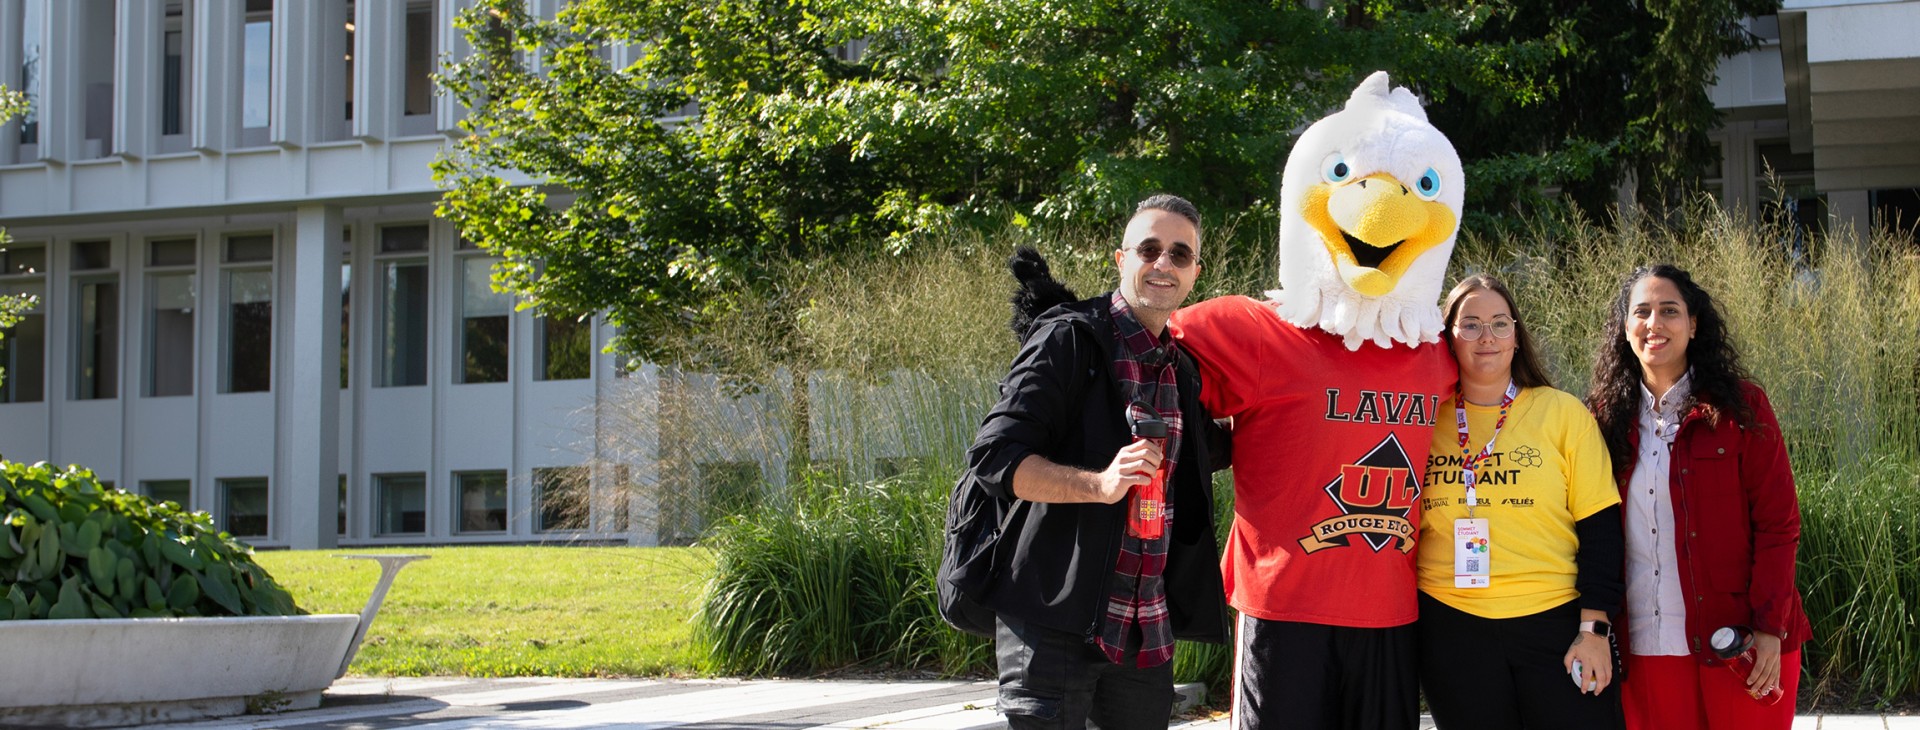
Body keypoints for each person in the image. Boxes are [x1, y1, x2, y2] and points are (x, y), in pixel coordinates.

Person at [964, 194, 1230, 730]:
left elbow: (1216, 447)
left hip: (1143, 628)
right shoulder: (1069, 338)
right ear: (1121, 259)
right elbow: (995, 458)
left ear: (1195, 272)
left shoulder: (1182, 370)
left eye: (1180, 255)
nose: (1163, 264)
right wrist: (1101, 484)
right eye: (1149, 249)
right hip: (1052, 618)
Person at [1586, 264, 1813, 730]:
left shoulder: (1742, 408)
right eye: (1642, 312)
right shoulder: (1601, 419)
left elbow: (1778, 524)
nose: (1655, 324)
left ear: (1693, 324)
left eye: (1670, 311)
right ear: (1624, 328)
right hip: (1647, 645)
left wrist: (1771, 628)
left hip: (1740, 643)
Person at [1414, 274, 1624, 729]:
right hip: (1453, 628)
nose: (1486, 337)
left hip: (1555, 624)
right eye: (1469, 325)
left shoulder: (1562, 413)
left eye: (1499, 323)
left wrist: (1594, 631)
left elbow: (1602, 531)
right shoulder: (1423, 418)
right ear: (1446, 337)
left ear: (1516, 336)